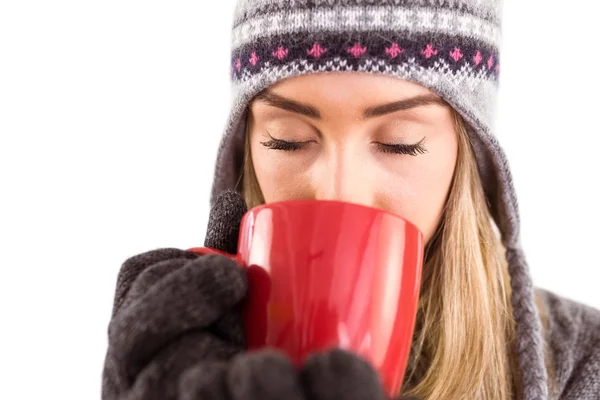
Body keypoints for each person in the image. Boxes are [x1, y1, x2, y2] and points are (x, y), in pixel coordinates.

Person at [101, 1, 600, 399]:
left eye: (400, 141)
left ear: (468, 155)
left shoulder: (582, 362)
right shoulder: (195, 359)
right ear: (245, 147)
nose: (339, 192)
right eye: (287, 139)